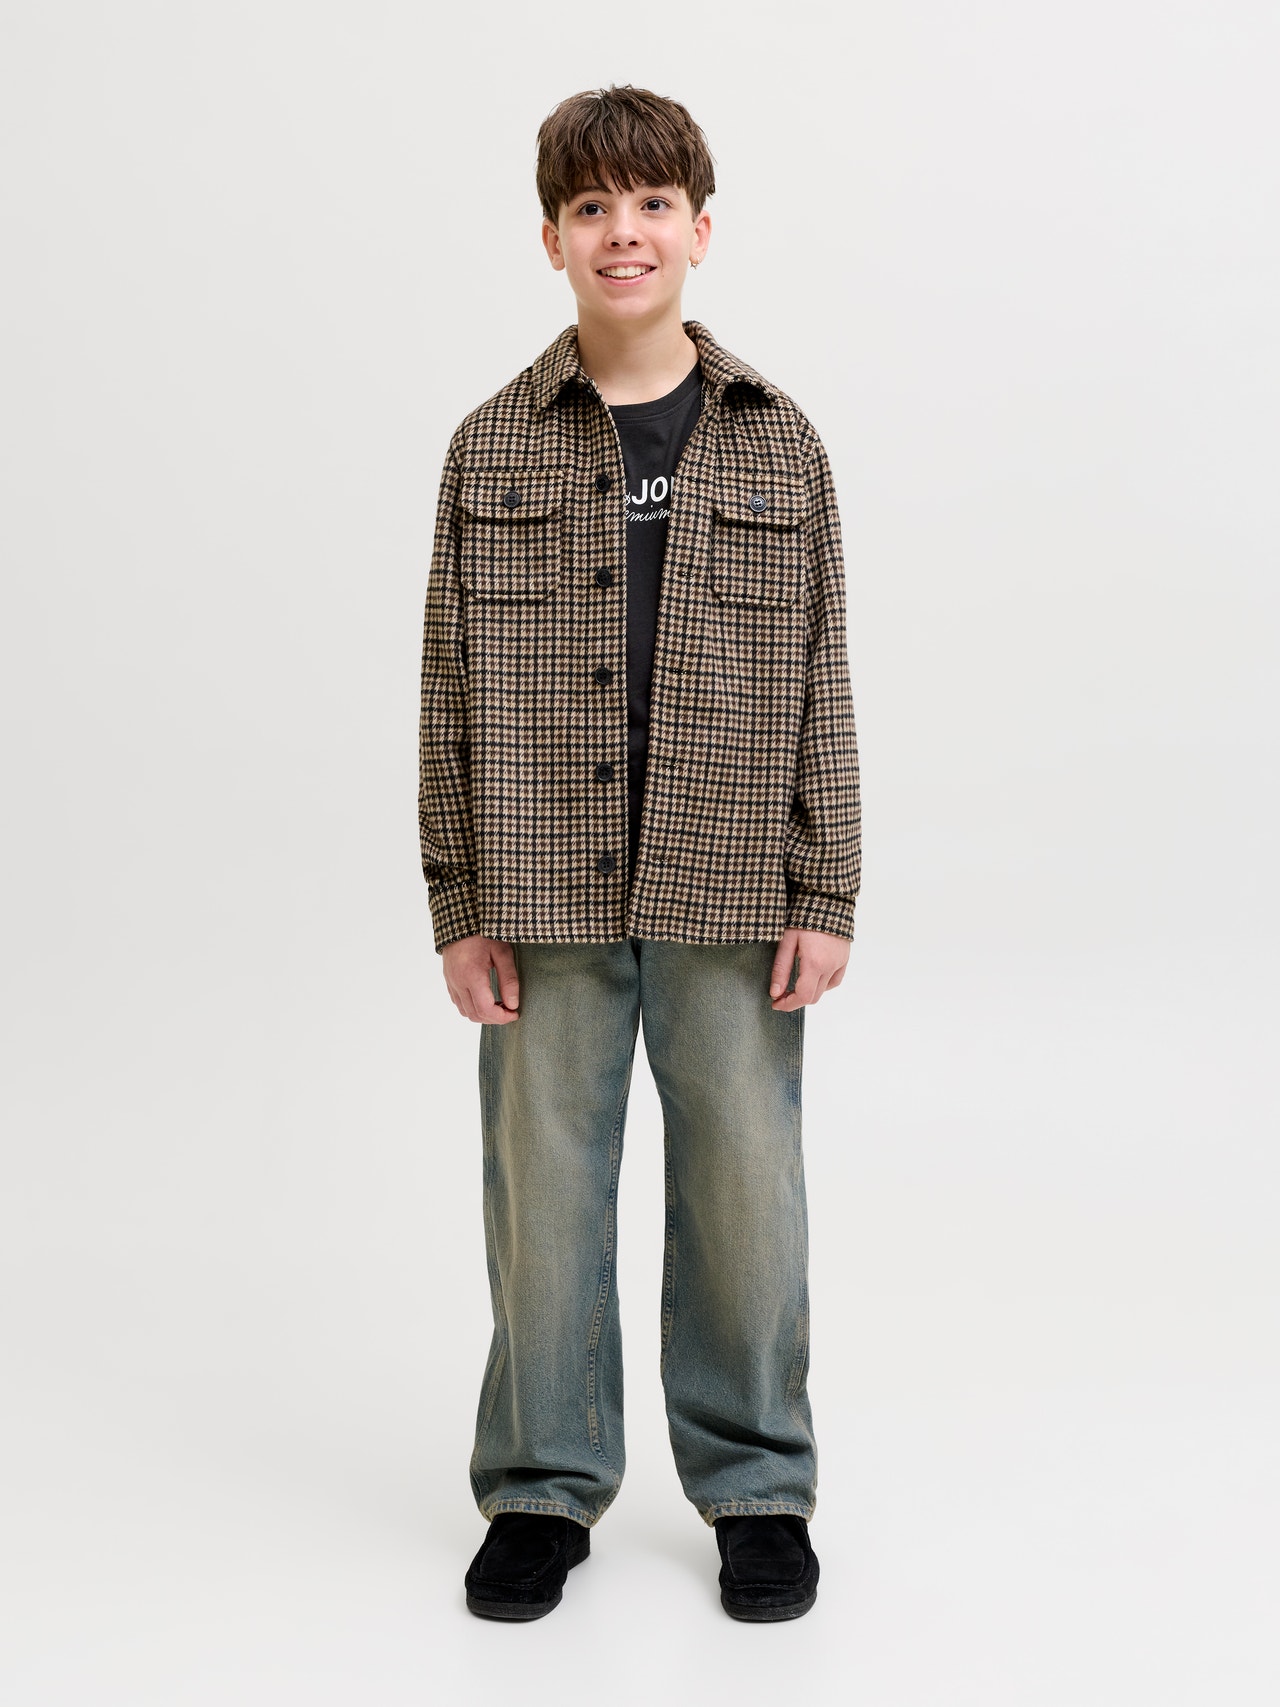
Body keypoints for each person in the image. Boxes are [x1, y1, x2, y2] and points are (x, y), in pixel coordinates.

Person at [418, 82, 861, 1623]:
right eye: (593, 207)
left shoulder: (779, 442)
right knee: (543, 1195)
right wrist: (458, 900)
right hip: (538, 887)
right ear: (551, 238)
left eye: (653, 204)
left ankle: (758, 1486)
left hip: (729, 884)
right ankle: (542, 1484)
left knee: (746, 1191)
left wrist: (826, 886)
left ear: (701, 230)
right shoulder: (491, 446)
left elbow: (823, 679)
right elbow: (446, 690)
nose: (626, 232)